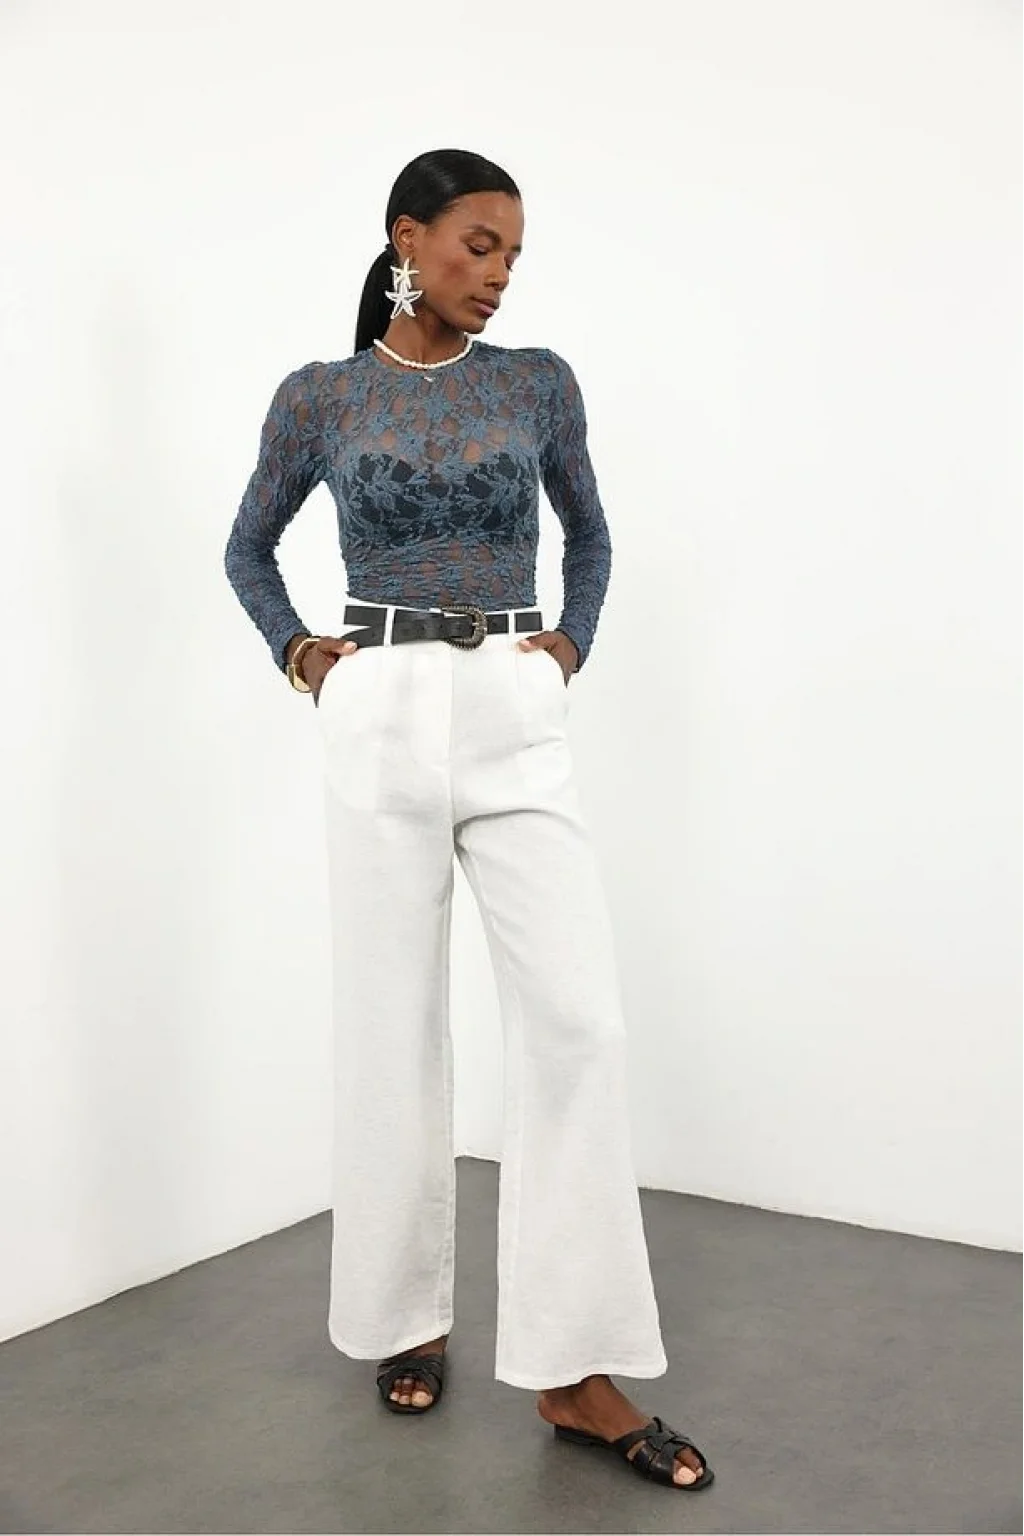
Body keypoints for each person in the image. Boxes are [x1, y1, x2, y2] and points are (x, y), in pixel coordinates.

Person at [223, 147, 713, 1494]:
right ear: (408, 238)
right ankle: (403, 1319)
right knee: (392, 1024)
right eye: (477, 246)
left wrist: (568, 647)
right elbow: (246, 547)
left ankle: (573, 1369)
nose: (497, 275)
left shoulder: (537, 383)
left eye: (512, 256)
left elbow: (591, 536)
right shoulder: (320, 396)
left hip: (510, 700)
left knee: (578, 1023)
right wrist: (303, 656)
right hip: (377, 705)